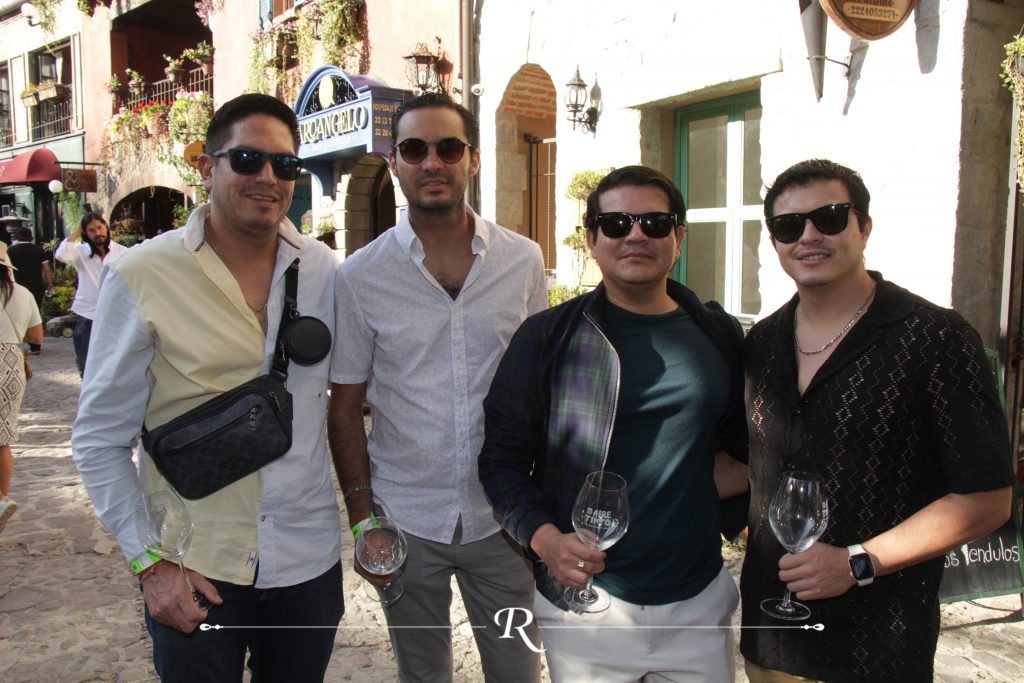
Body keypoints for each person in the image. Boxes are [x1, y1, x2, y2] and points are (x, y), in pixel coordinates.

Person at [72, 93, 342, 681]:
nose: (267, 176)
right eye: (246, 159)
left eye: (284, 164)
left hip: (307, 563)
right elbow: (98, 440)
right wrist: (149, 564)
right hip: (195, 566)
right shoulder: (142, 274)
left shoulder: (322, 268)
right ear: (206, 167)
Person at [740, 158, 1014, 682]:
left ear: (864, 226)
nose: (809, 236)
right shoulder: (762, 343)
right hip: (769, 638)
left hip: (874, 646)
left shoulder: (935, 338)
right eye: (789, 225)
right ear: (774, 241)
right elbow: (747, 465)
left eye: (830, 218)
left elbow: (987, 499)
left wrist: (857, 561)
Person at [479, 165, 750, 682]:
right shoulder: (546, 338)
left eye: (655, 223)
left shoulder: (718, 334)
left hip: (697, 603)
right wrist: (546, 542)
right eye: (617, 223)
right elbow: (500, 462)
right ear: (592, 239)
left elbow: (734, 452)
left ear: (678, 238)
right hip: (587, 607)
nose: (636, 235)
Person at [328, 92, 546, 683]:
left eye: (449, 148)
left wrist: (541, 507)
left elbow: (540, 390)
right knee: (422, 675)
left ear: (473, 159)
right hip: (405, 518)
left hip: (502, 519)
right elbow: (344, 409)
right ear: (394, 162)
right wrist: (363, 521)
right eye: (414, 149)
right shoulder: (360, 276)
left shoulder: (523, 261)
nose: (432, 162)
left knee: (518, 672)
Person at [0, 243, 43, 534]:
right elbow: (36, 336)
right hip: (11, 362)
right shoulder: (23, 294)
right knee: (3, 438)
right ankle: (1, 500)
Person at [54, 212, 128, 376]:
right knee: (85, 361)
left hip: (115, 313)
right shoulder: (80, 252)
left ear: (106, 227)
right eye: (92, 230)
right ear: (86, 233)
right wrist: (77, 230)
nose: (97, 233)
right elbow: (61, 255)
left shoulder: (122, 252)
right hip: (87, 314)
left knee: (115, 360)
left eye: (99, 228)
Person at [7, 227, 52, 355]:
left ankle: (15, 342)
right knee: (35, 314)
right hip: (36, 287)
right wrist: (50, 284)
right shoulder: (38, 250)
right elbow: (46, 269)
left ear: (18, 237)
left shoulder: (11, 250)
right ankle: (35, 346)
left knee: (17, 314)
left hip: (17, 288)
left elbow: (7, 269)